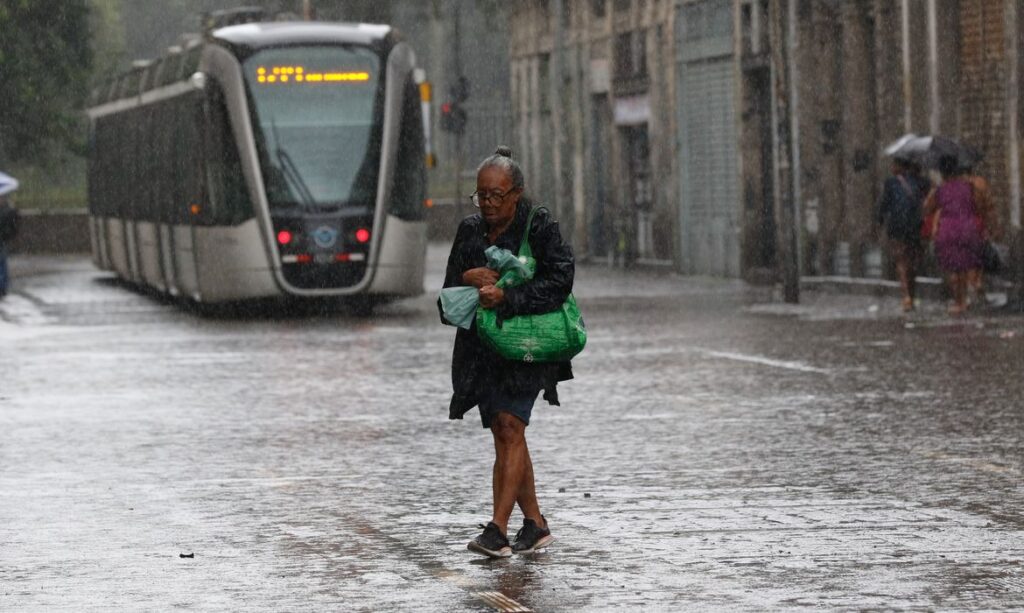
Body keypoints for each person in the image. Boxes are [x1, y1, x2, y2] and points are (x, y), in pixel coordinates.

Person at [440, 146, 574, 558]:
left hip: (529, 347)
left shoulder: (539, 227)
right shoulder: (469, 230)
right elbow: (447, 295)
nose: (488, 204)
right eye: (481, 195)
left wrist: (508, 295)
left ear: (516, 193)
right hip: (484, 350)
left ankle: (497, 530)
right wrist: (469, 275)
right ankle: (534, 523)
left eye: (497, 196)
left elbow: (561, 280)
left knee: (510, 427)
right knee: (505, 432)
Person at [922, 155, 985, 315]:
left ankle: (957, 302)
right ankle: (963, 301)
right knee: (963, 267)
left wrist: (935, 193)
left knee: (952, 268)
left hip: (948, 229)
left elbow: (927, 208)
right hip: (967, 228)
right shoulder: (969, 187)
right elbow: (978, 205)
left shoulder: (940, 189)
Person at [877, 157, 930, 311]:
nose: (892, 167)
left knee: (901, 261)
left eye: (894, 164)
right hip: (915, 226)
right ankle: (911, 296)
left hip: (897, 226)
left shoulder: (891, 183)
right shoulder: (922, 182)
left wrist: (879, 222)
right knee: (912, 262)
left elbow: (884, 205)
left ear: (900, 166)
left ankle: (906, 296)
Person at [960, 164, 998, 306]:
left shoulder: (957, 186)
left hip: (961, 225)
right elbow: (989, 206)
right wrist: (993, 227)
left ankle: (972, 287)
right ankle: (978, 282)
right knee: (979, 255)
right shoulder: (980, 183)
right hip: (978, 224)